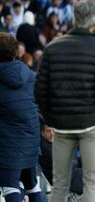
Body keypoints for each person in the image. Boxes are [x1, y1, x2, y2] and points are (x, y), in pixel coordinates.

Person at [34, 1, 95, 202]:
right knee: (91, 181)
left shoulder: (53, 47)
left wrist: (51, 118)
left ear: (74, 18)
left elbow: (40, 89)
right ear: (94, 21)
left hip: (61, 125)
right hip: (91, 123)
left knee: (60, 182)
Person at [0, 32, 44, 202]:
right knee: (33, 187)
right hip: (31, 143)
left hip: (8, 147)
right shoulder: (32, 76)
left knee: (10, 189)